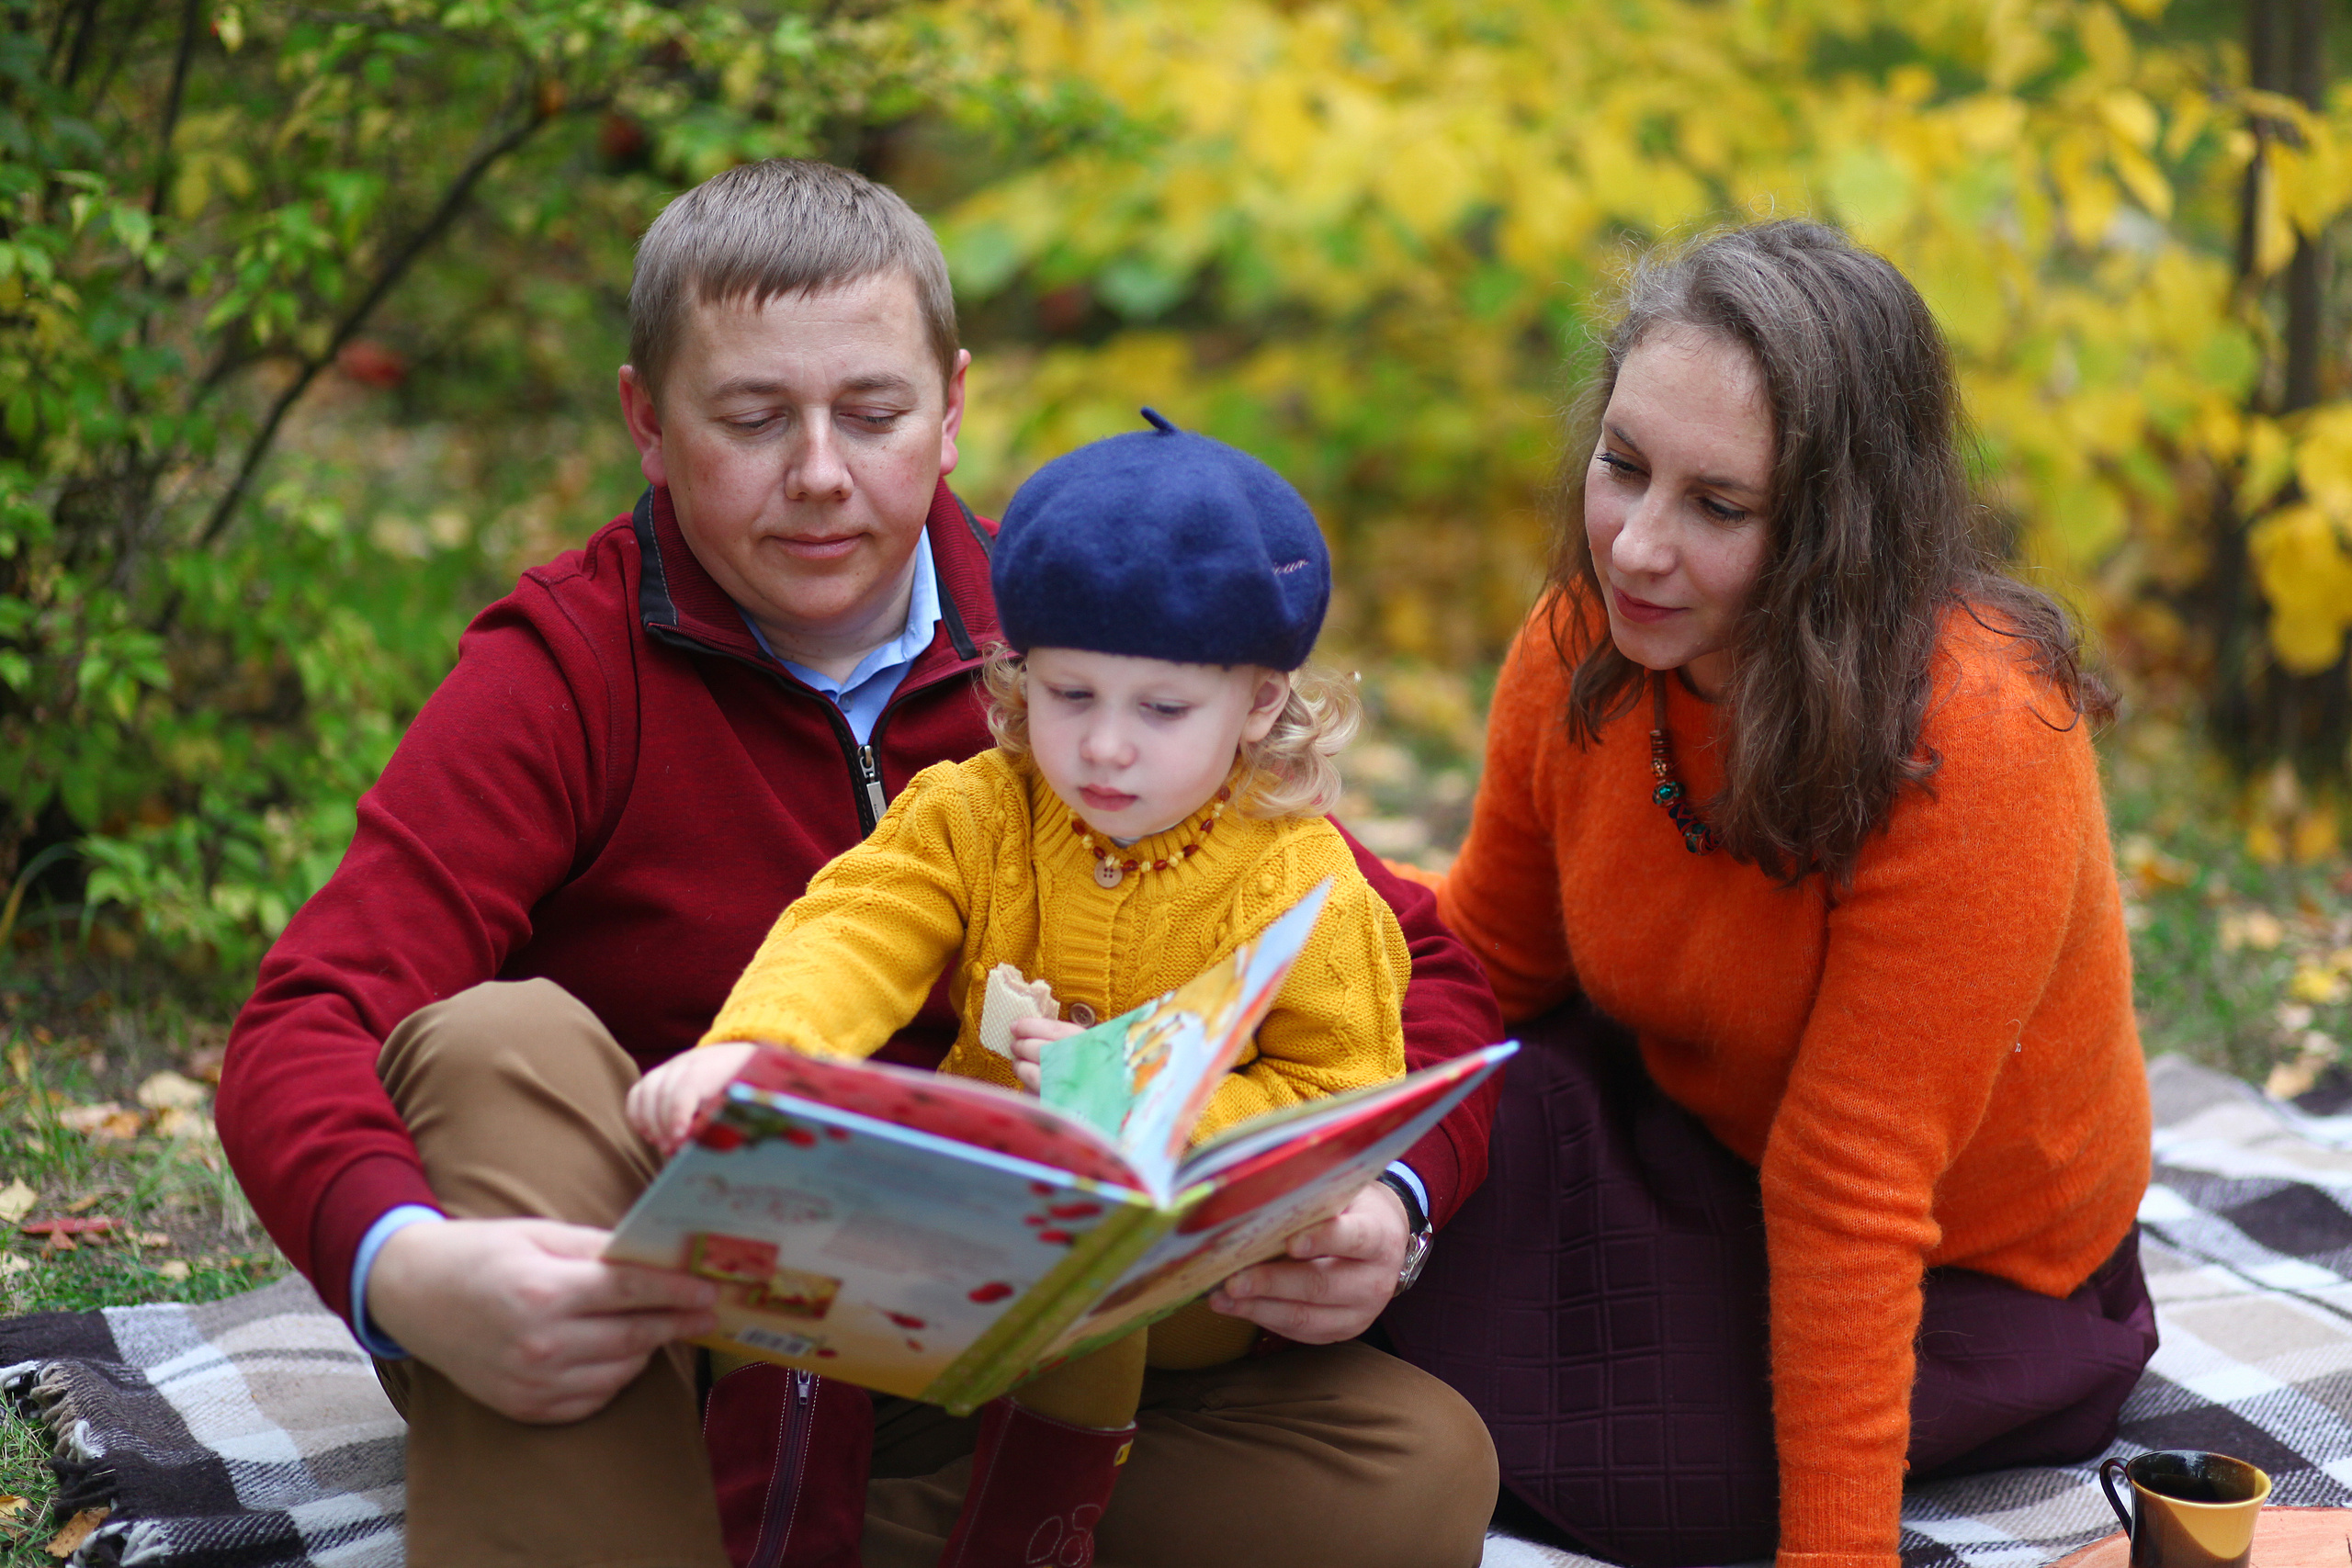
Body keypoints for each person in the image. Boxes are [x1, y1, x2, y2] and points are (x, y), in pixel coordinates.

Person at [215, 158, 1502, 1568]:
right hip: (656, 1326)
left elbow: (1415, 954)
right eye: (754, 417)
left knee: (1411, 1467)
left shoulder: (1092, 645)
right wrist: (406, 1269)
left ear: (952, 408)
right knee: (491, 1037)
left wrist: (1393, 1202)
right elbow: (309, 1016)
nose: (820, 472)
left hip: (966, 1360)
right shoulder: (568, 666)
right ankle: (609, 1495)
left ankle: (728, 1531)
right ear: (648, 421)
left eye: (873, 412)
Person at [1380, 220, 2156, 1568]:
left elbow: (1852, 1176)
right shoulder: (1585, 642)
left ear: (1836, 531)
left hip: (1963, 1265)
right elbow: (1487, 961)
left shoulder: (1979, 732)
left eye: (1719, 507)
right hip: (1685, 1131)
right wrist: (1320, 1155)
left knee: (1676, 1482)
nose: (1635, 547)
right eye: (1622, 468)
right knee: (1403, 1189)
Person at [633, 413, 1414, 1566]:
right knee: (793, 1215)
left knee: (1087, 1244)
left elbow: (1343, 1087)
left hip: (1176, 1286)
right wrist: (761, 1050)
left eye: (1160, 711)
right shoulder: (979, 811)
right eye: (1069, 696)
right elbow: (857, 926)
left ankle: (1023, 1541)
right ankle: (772, 1533)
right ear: (1014, 675)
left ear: (1259, 703)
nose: (1103, 750)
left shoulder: (1300, 883)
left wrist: (1155, 1100)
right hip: (964, 1242)